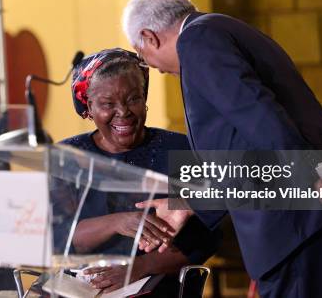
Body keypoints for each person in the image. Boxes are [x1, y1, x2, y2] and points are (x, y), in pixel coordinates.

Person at [122, 0, 322, 298]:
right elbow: (238, 147)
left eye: (143, 56)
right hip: (309, 213)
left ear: (149, 37)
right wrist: (187, 204)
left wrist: (309, 175)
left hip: (295, 219)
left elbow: (257, 112)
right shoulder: (221, 28)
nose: (155, 68)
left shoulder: (198, 40)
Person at [56, 48, 219, 296]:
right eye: (108, 104)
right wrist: (118, 222)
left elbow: (205, 238)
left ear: (144, 98)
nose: (123, 112)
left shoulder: (179, 148)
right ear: (88, 106)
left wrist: (140, 267)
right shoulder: (67, 155)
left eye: (134, 98)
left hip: (162, 288)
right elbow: (56, 236)